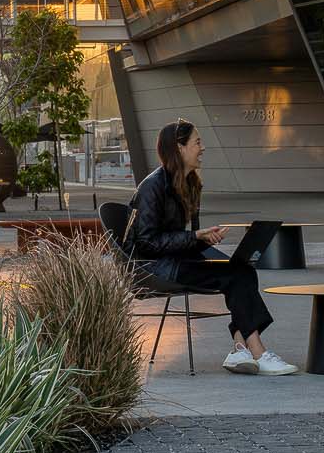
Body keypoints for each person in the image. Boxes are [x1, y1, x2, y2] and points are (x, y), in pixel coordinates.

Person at [125, 118, 298, 375]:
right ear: (179, 148)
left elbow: (184, 237)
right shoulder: (152, 186)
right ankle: (257, 353)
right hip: (153, 268)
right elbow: (147, 243)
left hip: (176, 259)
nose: (202, 148)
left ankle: (241, 350)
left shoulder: (191, 183)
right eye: (197, 142)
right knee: (236, 274)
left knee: (242, 269)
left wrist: (203, 238)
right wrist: (195, 236)